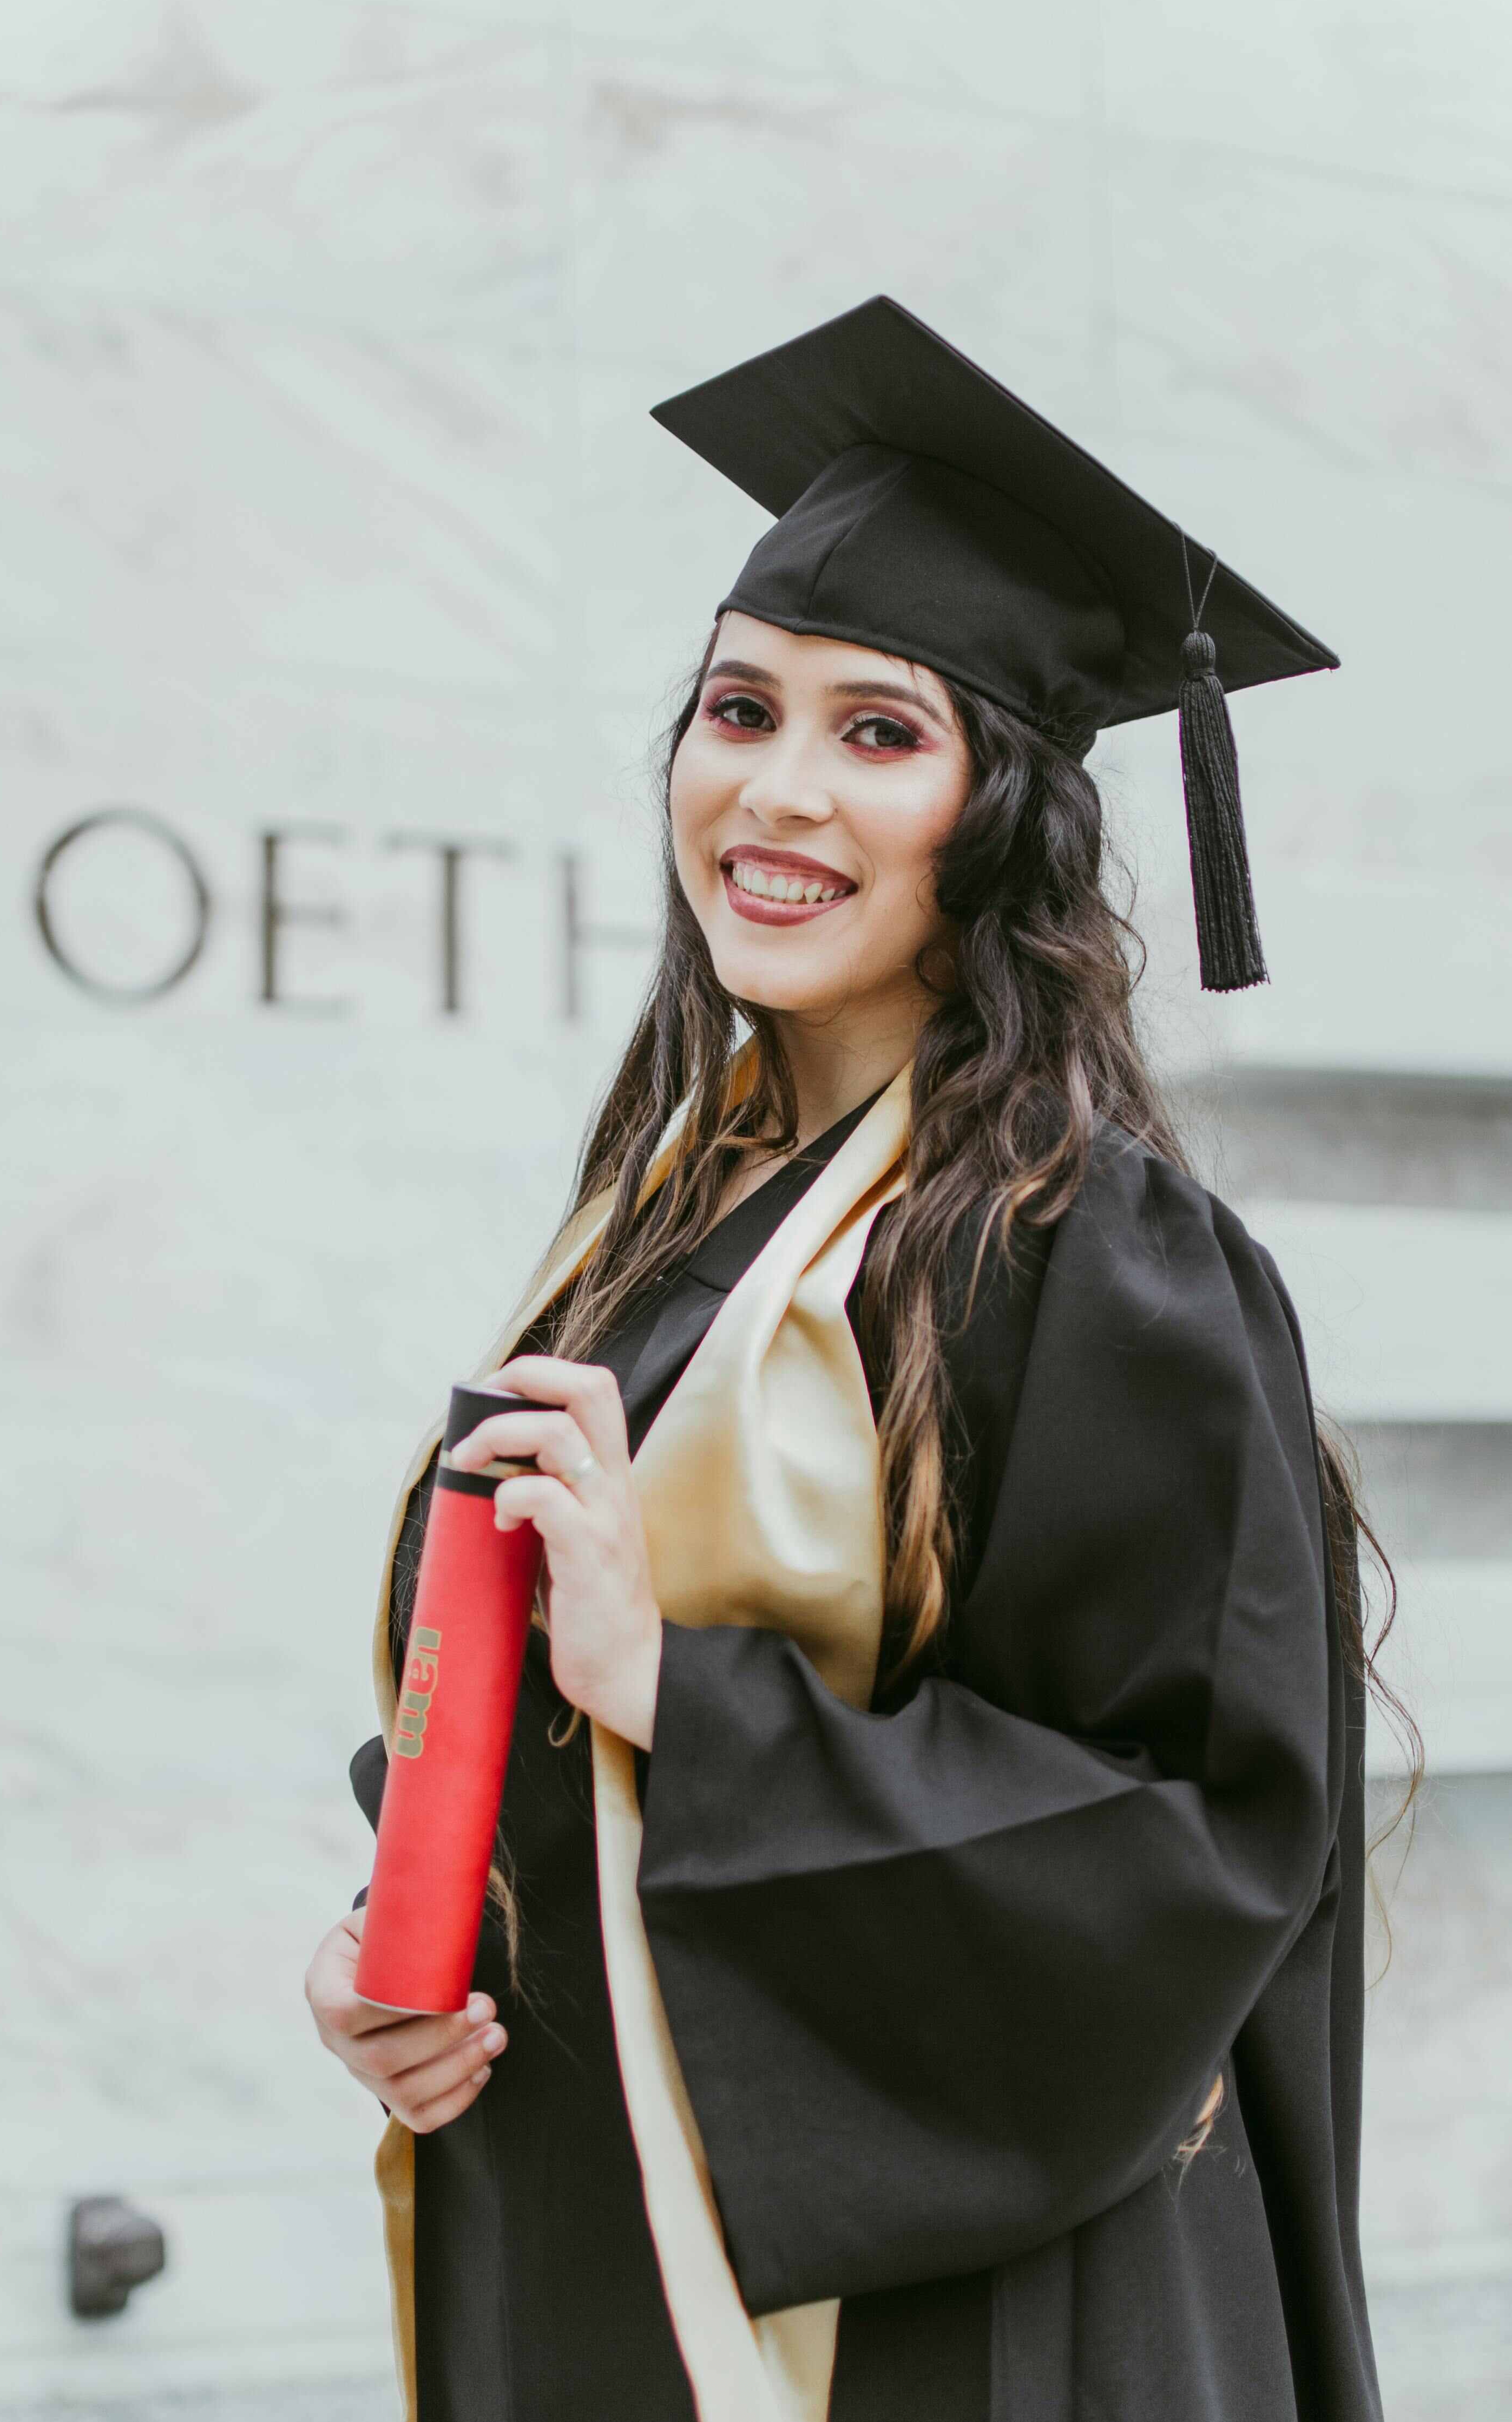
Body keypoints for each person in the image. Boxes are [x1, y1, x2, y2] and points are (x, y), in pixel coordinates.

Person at [305, 298, 1403, 2422]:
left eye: (880, 732)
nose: (777, 790)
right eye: (739, 709)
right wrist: (407, 1956)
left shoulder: (1101, 1256)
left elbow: (1203, 1850)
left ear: (1001, 810)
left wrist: (679, 1699)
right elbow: (525, 1727)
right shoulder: (663, 1221)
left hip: (936, 2324)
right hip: (592, 2228)